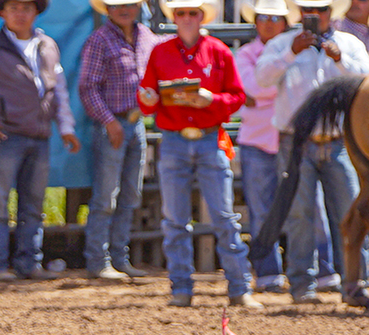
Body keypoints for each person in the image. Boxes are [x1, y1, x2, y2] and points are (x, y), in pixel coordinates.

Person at [138, 0, 262, 308]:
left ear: (201, 16)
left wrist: (212, 100)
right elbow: (147, 99)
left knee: (223, 217)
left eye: (192, 12)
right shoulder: (160, 52)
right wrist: (149, 98)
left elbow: (237, 97)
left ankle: (238, 287)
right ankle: (181, 288)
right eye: (181, 13)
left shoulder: (219, 51)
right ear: (174, 17)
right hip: (175, 140)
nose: (187, 18)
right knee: (175, 219)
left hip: (208, 138)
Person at [255, 0, 369, 303]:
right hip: (298, 141)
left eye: (320, 9)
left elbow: (365, 79)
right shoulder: (283, 44)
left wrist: (341, 59)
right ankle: (304, 285)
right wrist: (291, 53)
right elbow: (261, 79)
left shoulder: (348, 44)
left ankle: (356, 281)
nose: (314, 15)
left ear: (331, 13)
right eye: (309, 10)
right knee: (300, 214)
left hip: (340, 141)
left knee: (352, 208)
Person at [0, 0, 81, 281]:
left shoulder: (47, 46)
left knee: (33, 204)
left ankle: (29, 263)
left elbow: (59, 90)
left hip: (39, 136)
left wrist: (66, 127)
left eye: (26, 7)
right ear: (2, 12)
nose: (20, 14)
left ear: (35, 12)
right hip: (6, 136)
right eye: (13, 7)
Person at [78, 0, 161, 280]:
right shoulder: (99, 40)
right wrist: (109, 121)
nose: (124, 9)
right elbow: (88, 88)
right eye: (117, 5)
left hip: (136, 123)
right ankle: (99, 260)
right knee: (106, 196)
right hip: (112, 123)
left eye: (129, 4)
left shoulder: (146, 37)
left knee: (130, 194)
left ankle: (118, 257)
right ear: (108, 10)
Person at [235, 0, 293, 294]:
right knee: (261, 211)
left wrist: (261, 93)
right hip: (259, 141)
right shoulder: (246, 53)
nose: (269, 23)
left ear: (285, 22)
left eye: (275, 17)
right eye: (263, 17)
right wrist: (282, 88)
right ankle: (269, 273)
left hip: (289, 140)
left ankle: (307, 270)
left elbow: (257, 91)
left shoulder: (294, 50)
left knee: (305, 209)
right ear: (255, 21)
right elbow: (253, 88)